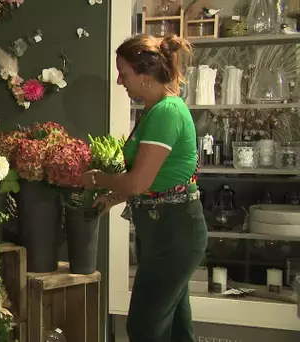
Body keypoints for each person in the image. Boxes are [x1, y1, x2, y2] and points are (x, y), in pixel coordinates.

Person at [81, 34, 207, 342]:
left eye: (124, 73)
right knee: (176, 328)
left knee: (145, 327)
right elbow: (158, 177)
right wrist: (113, 197)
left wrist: (97, 178)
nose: (119, 80)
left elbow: (139, 181)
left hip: (174, 233)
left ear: (145, 74)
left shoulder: (166, 112)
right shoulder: (154, 110)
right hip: (163, 230)